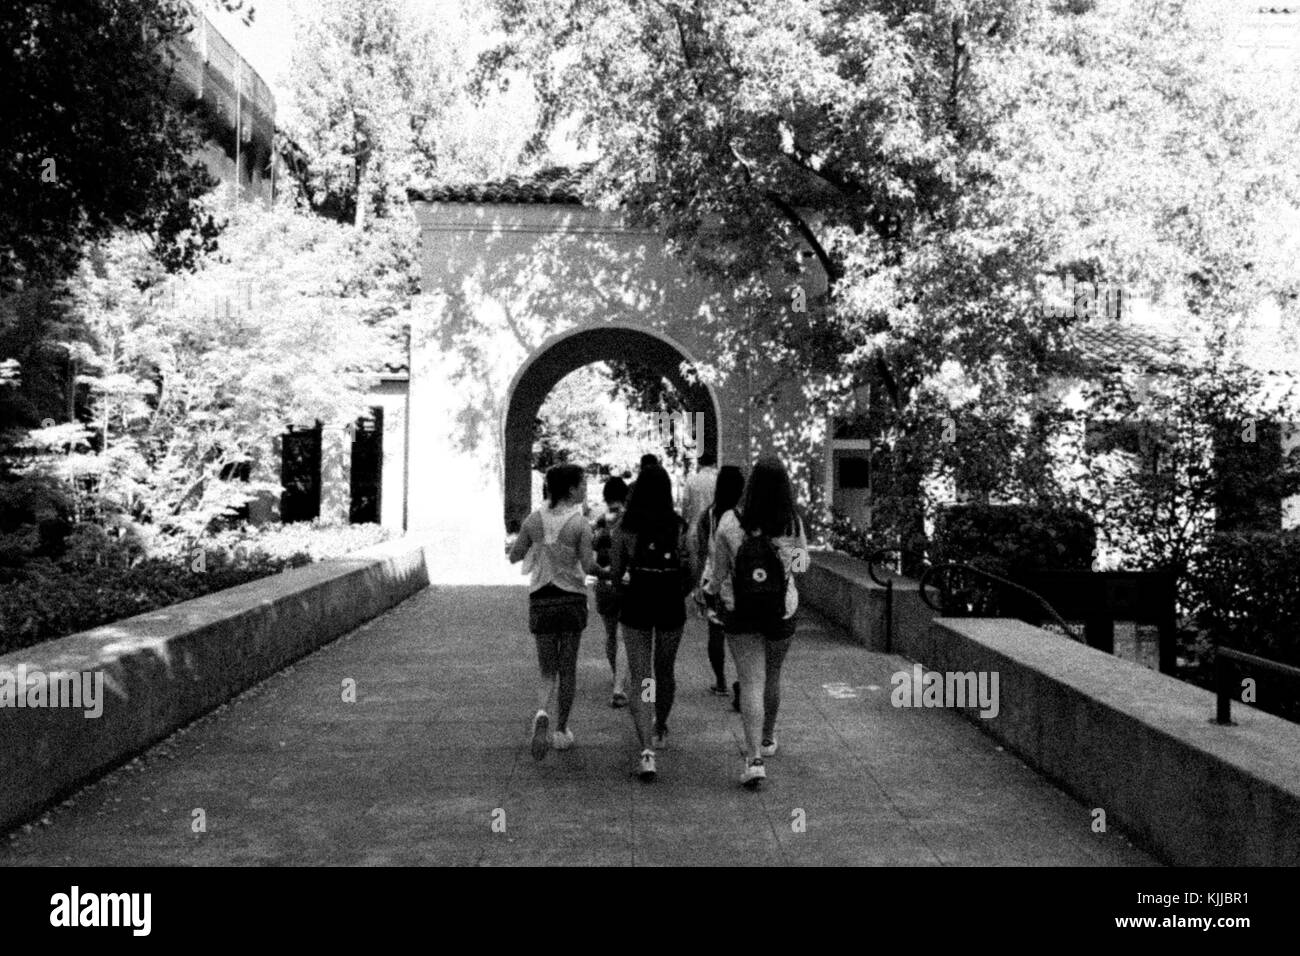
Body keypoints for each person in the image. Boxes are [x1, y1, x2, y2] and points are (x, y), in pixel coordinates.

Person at [708, 455, 808, 789]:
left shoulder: (729, 521)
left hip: (741, 610)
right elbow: (802, 565)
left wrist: (706, 594)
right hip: (781, 609)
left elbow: (719, 573)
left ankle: (754, 759)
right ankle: (768, 737)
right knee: (773, 675)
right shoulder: (792, 522)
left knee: (750, 681)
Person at [508, 463, 601, 761]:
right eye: (582, 484)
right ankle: (561, 730)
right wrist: (610, 572)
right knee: (568, 668)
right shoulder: (579, 524)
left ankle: (541, 712)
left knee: (547, 670)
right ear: (571, 489)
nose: (585, 490)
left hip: (541, 600)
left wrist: (536, 546)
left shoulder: (533, 520)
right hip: (571, 601)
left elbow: (514, 556)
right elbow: (588, 567)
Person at [610, 462, 690, 781]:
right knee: (665, 670)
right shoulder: (680, 526)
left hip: (638, 601)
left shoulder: (625, 529)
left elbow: (616, 574)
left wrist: (622, 588)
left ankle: (646, 751)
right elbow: (693, 569)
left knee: (643, 677)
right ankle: (661, 725)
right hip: (670, 600)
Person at [692, 464, 745, 697]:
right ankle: (745, 681)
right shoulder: (744, 515)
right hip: (742, 584)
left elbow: (701, 551)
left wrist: (697, 586)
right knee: (744, 638)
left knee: (716, 633)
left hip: (714, 579)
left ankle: (721, 681)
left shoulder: (709, 515)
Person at [592, 476, 630, 708]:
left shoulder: (599, 522)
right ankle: (623, 686)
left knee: (611, 635)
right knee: (628, 638)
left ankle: (619, 678)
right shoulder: (631, 520)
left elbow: (593, 558)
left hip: (605, 584)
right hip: (627, 584)